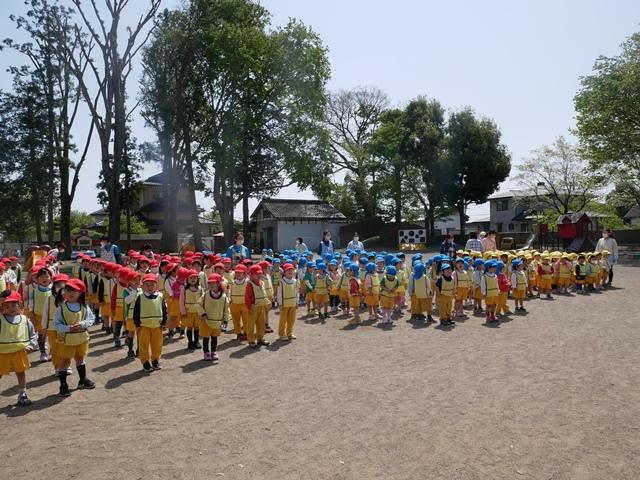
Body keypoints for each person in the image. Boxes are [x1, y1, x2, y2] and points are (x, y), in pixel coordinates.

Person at [53, 278, 96, 397]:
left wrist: (83, 324)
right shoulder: (61, 308)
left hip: (82, 338)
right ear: (64, 292)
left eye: (74, 290)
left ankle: (83, 380)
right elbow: (56, 324)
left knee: (80, 359)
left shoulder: (84, 307)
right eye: (68, 290)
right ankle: (63, 385)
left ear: (80, 293)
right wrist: (68, 328)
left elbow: (91, 319)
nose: (70, 293)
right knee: (65, 361)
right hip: (67, 340)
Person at [0, 291, 37, 406]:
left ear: (20, 305)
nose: (10, 308)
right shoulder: (1, 320)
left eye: (13, 305)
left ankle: (22, 393)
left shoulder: (25, 320)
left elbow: (32, 334)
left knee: (20, 373)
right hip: (2, 353)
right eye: (6, 305)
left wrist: (31, 345)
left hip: (19, 352)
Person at [133, 273, 167, 372]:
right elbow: (136, 311)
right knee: (143, 345)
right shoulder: (140, 297)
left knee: (157, 345)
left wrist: (164, 321)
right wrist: (137, 324)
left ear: (156, 285)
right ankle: (145, 363)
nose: (150, 287)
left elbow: (164, 309)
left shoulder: (160, 296)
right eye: (147, 284)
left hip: (157, 326)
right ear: (142, 286)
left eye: (152, 284)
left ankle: (155, 360)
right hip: (144, 326)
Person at [198, 274, 229, 362]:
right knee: (206, 337)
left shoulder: (224, 297)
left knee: (214, 337)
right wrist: (202, 313)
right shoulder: (205, 295)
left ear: (218, 284)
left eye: (213, 283)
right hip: (206, 321)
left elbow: (226, 309)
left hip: (217, 322)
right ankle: (206, 352)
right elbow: (198, 305)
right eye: (209, 283)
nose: (211, 285)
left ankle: (214, 351)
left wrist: (225, 320)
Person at [244, 264, 271, 348]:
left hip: (261, 307)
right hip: (253, 308)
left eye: (260, 273)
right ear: (251, 275)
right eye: (256, 274)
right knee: (251, 325)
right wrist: (249, 307)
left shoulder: (262, 283)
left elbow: (264, 294)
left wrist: (267, 302)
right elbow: (247, 297)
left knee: (261, 324)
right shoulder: (250, 284)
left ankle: (260, 338)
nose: (259, 275)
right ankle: (251, 340)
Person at [276, 263, 298, 341]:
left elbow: (296, 292)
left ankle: (289, 333)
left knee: (291, 320)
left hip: (292, 304)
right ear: (284, 272)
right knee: (283, 320)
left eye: (292, 270)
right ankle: (282, 334)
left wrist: (297, 302)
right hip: (284, 305)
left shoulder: (295, 281)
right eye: (288, 270)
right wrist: (280, 303)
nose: (290, 271)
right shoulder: (281, 282)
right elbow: (279, 293)